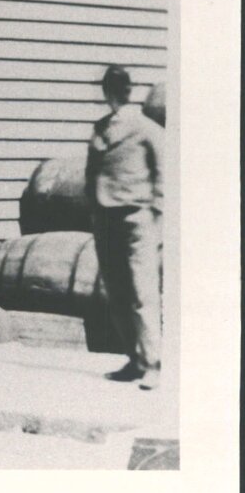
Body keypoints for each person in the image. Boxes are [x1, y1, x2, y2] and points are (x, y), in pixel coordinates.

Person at [86, 64, 163, 388]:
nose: (114, 94)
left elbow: (164, 171)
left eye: (119, 88)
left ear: (128, 92)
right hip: (105, 220)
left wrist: (157, 212)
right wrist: (93, 209)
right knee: (116, 293)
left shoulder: (146, 128)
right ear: (105, 93)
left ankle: (153, 364)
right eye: (109, 88)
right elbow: (92, 172)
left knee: (142, 293)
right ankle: (133, 360)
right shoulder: (100, 127)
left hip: (135, 219)